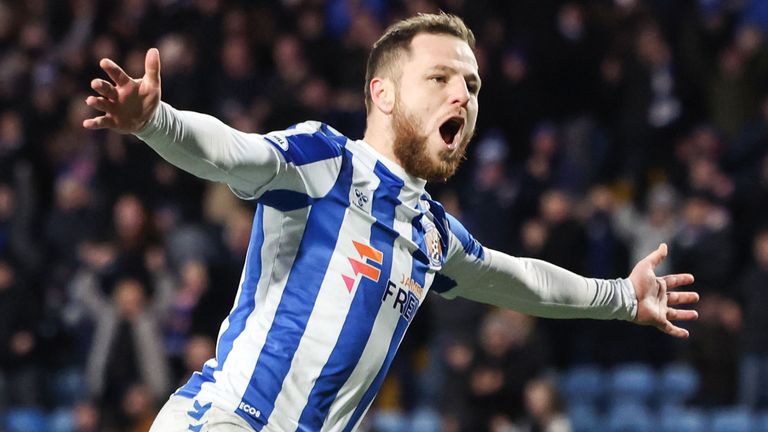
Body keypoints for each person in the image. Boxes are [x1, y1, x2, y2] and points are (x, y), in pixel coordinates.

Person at [82, 13, 698, 432]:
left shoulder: (432, 233)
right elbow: (229, 151)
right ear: (382, 94)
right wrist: (155, 122)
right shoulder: (325, 163)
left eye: (472, 84)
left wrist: (620, 296)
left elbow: (522, 281)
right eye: (439, 77)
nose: (462, 95)